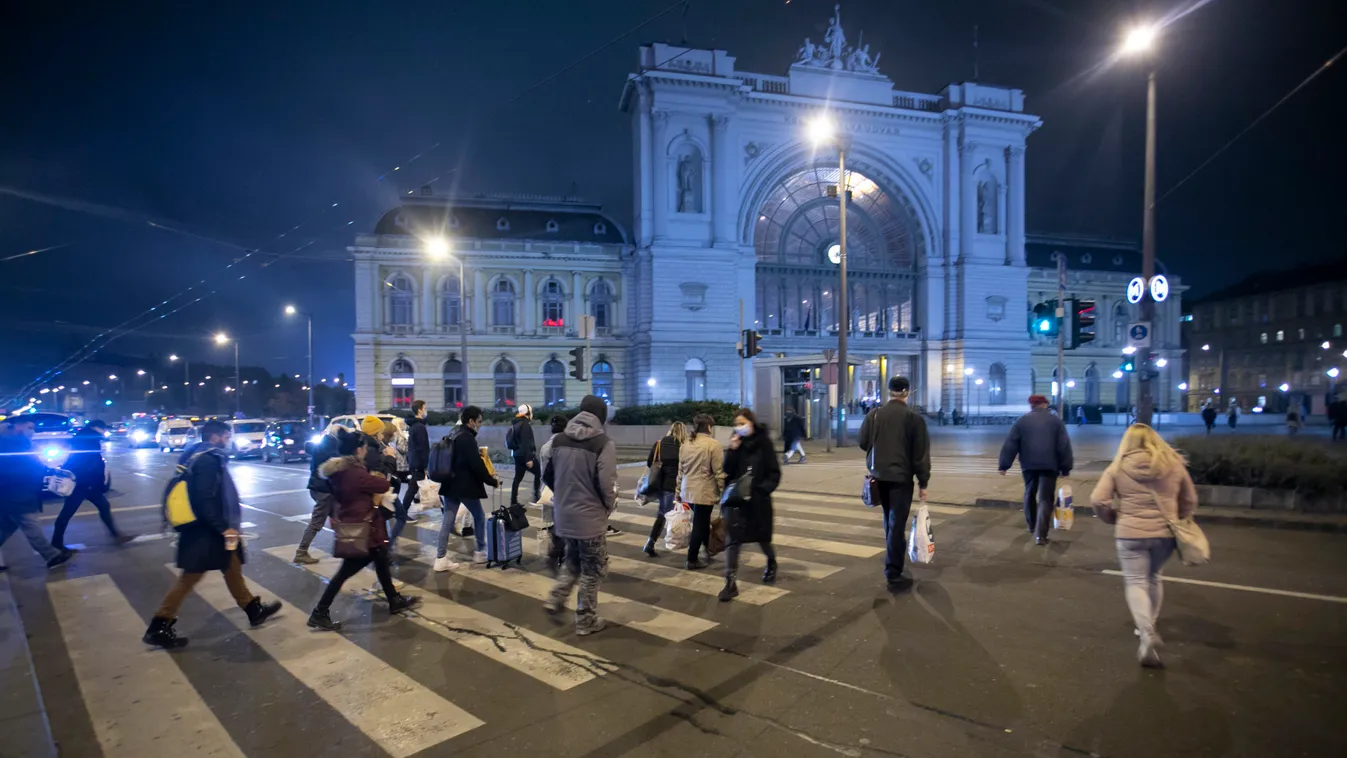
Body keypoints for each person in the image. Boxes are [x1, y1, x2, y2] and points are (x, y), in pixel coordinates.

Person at [143, 420, 281, 649]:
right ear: (216, 436)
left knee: (232, 565)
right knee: (190, 577)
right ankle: (159, 625)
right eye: (227, 436)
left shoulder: (194, 454)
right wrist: (222, 527)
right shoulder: (208, 459)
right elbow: (204, 498)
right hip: (205, 530)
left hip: (206, 527)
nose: (228, 440)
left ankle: (252, 609)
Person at [1090, 424, 1198, 668]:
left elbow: (1098, 499)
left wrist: (1112, 518)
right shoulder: (1174, 464)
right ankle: (1149, 625)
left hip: (1130, 534)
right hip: (1164, 534)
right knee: (1153, 577)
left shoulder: (1118, 467)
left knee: (1135, 581)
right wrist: (1179, 517)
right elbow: (1190, 499)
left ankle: (1146, 630)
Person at [307, 429, 423, 631]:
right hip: (363, 529)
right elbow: (382, 484)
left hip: (360, 525)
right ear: (358, 450)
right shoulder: (354, 473)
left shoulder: (339, 471)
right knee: (346, 572)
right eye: (364, 448)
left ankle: (394, 599)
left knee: (381, 560)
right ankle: (319, 611)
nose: (366, 451)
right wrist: (389, 460)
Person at [544, 395, 618, 635]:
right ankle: (586, 620)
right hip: (590, 518)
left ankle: (556, 597)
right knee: (593, 568)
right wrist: (608, 505)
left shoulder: (558, 440)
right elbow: (606, 483)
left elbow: (547, 475)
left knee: (573, 559)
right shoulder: (603, 443)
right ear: (601, 416)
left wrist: (563, 496)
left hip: (564, 515)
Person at [857, 376, 931, 589]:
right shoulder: (914, 419)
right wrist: (923, 483)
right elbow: (920, 455)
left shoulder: (874, 414)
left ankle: (892, 559)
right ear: (907, 392)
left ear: (889, 392)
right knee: (897, 524)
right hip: (901, 479)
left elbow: (862, 442)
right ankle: (893, 571)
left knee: (889, 521)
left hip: (878, 477)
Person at [718, 409, 780, 601]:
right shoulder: (736, 442)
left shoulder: (764, 443)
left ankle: (771, 562)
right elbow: (727, 471)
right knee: (732, 540)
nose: (739, 427)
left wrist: (761, 491)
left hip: (758, 501)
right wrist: (732, 450)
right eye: (736, 423)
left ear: (751, 422)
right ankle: (730, 582)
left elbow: (774, 473)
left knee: (762, 537)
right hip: (736, 501)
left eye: (742, 422)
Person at [997, 394, 1075, 546]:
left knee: (1029, 493)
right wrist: (1066, 467)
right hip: (1050, 466)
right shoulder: (1055, 421)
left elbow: (1011, 443)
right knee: (1046, 499)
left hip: (1029, 465)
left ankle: (1032, 525)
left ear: (1031, 405)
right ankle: (1041, 535)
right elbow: (1063, 446)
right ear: (1045, 404)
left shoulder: (1022, 421)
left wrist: (1004, 465)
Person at [0, 417, 72, 570]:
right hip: (16, 494)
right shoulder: (12, 444)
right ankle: (52, 556)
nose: (32, 431)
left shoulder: (14, 442)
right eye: (30, 427)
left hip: (14, 494)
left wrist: (47, 470)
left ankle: (52, 555)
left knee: (6, 528)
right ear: (19, 427)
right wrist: (42, 470)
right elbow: (25, 467)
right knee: (31, 526)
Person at [50, 419, 133, 551]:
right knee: (67, 513)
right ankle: (56, 542)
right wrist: (90, 481)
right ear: (96, 428)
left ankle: (116, 535)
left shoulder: (85, 438)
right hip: (83, 483)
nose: (104, 432)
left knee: (103, 506)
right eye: (103, 429)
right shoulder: (89, 440)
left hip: (85, 482)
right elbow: (87, 462)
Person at [435, 405, 498, 571]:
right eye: (479, 421)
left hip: (449, 483)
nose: (480, 425)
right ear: (471, 421)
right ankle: (480, 552)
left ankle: (440, 558)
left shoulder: (453, 433)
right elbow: (476, 465)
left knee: (447, 520)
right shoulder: (467, 438)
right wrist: (491, 480)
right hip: (464, 486)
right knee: (479, 516)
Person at [676, 413, 725, 570]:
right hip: (704, 491)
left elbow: (680, 470)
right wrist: (724, 492)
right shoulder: (713, 445)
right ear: (709, 427)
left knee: (702, 521)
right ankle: (691, 559)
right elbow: (718, 472)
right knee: (700, 523)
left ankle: (708, 548)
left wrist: (677, 491)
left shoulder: (685, 444)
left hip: (687, 490)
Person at [293, 422, 341, 564]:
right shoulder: (332, 449)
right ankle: (301, 552)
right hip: (324, 490)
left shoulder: (323, 445)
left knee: (340, 518)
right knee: (317, 522)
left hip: (318, 488)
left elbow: (309, 447)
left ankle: (345, 547)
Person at [642, 421, 687, 558]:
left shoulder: (659, 444)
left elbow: (649, 462)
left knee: (662, 515)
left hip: (659, 485)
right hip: (675, 486)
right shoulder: (684, 446)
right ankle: (658, 543)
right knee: (674, 515)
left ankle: (650, 543)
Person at [538, 413, 570, 574]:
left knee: (552, 524)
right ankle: (561, 556)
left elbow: (543, 473)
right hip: (561, 491)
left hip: (547, 491)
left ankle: (555, 556)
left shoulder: (545, 447)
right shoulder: (565, 446)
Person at [401, 400, 431, 516]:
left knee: (413, 488)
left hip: (415, 462)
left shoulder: (414, 426)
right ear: (419, 410)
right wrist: (426, 465)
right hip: (419, 463)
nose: (426, 411)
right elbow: (422, 447)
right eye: (424, 408)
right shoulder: (419, 427)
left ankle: (403, 511)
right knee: (413, 488)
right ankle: (402, 512)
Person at [508, 404, 541, 506]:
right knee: (538, 473)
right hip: (525, 456)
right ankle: (536, 498)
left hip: (517, 455)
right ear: (528, 413)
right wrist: (528, 459)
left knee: (517, 478)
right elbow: (526, 442)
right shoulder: (525, 424)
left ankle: (513, 501)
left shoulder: (515, 423)